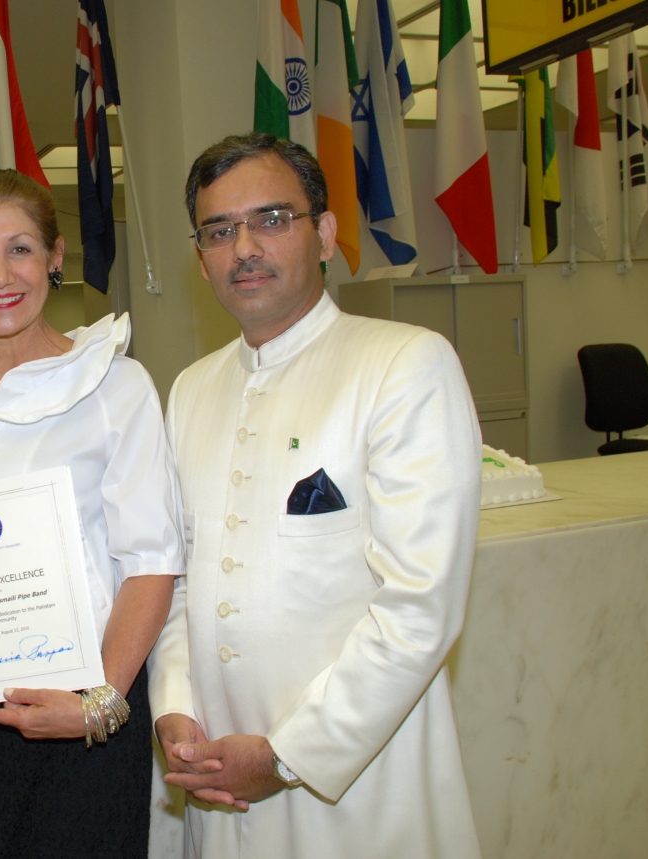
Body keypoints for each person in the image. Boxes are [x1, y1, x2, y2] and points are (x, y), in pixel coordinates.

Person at [150, 134, 482, 858]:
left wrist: (288, 756)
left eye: (271, 219)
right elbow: (175, 579)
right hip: (216, 783)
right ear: (200, 259)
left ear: (325, 234)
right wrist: (173, 707)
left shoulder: (403, 364)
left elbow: (420, 607)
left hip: (359, 790)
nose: (244, 248)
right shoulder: (190, 390)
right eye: (218, 231)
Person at [0, 169, 183, 858]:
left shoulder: (114, 384)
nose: (0, 274)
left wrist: (96, 703)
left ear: (56, 257)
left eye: (21, 249)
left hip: (84, 712)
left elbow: (152, 560)